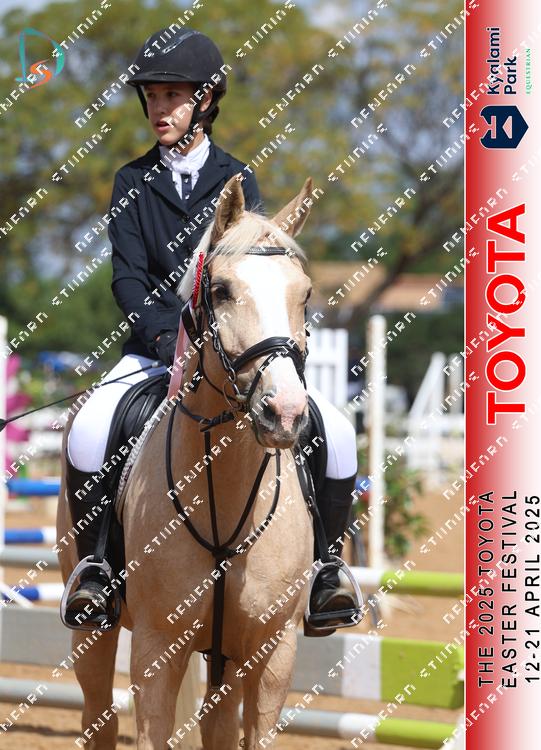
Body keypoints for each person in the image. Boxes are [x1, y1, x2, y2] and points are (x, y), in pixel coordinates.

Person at [64, 27, 359, 631]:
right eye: (152, 96)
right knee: (90, 428)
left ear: (204, 100)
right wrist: (164, 338)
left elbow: (250, 275)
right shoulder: (130, 182)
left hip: (230, 352)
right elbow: (128, 278)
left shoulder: (237, 178)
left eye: (172, 96)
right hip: (152, 350)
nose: (159, 108)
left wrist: (220, 340)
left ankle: (327, 570)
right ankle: (95, 568)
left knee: (340, 431)